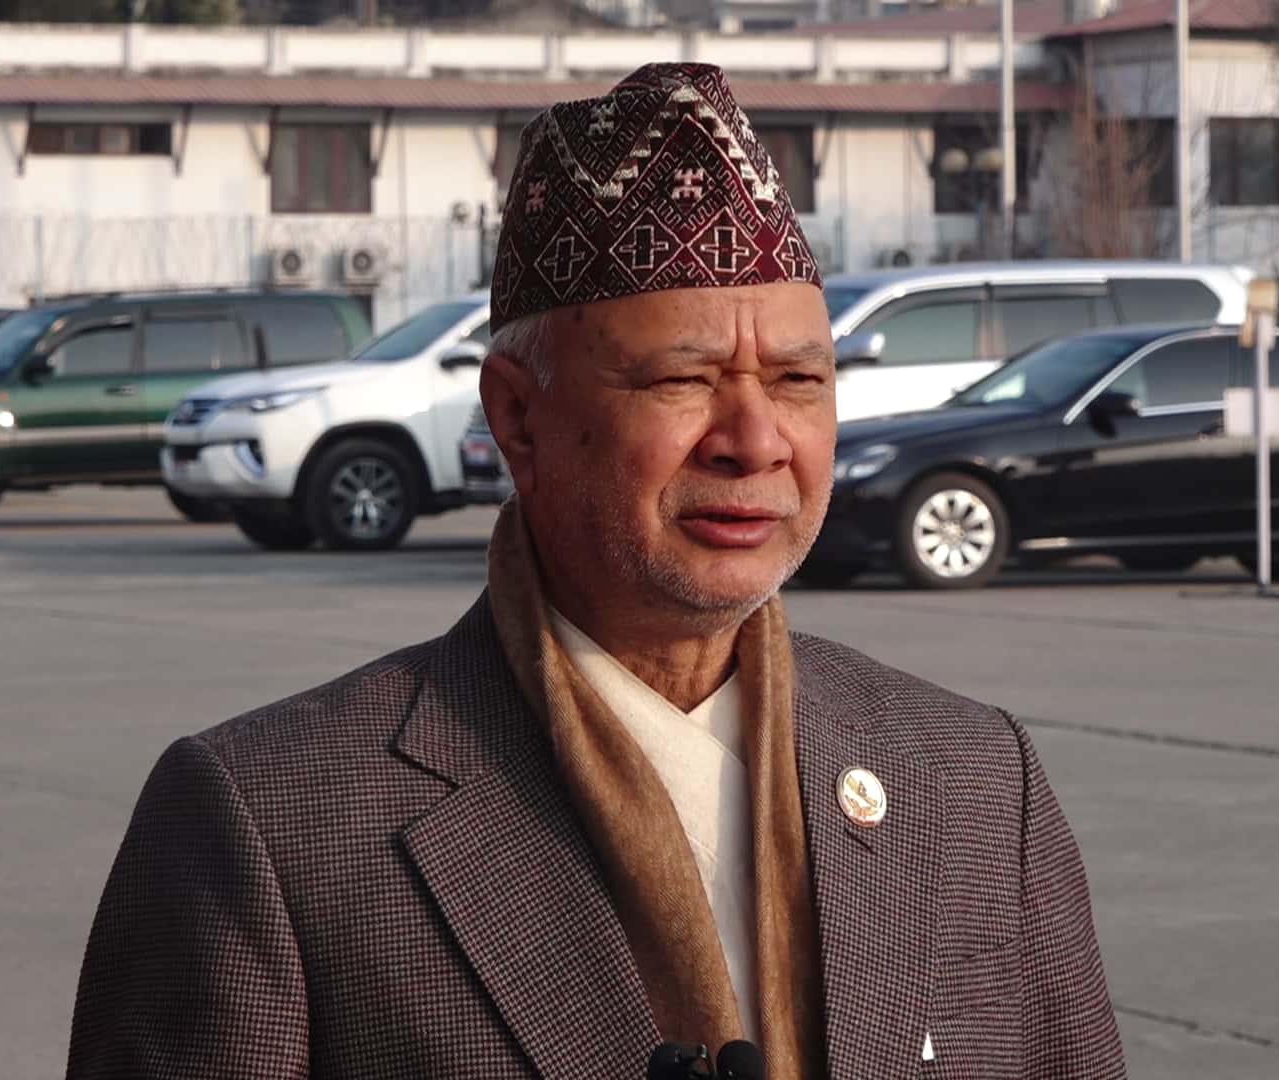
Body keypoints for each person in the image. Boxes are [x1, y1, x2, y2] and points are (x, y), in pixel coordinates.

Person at [67, 63, 1124, 1080]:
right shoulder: (276, 819)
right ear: (518, 419)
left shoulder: (973, 781)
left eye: (799, 380)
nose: (756, 441)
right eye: (681, 379)